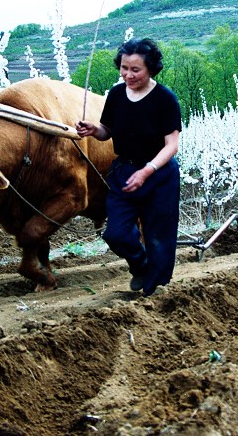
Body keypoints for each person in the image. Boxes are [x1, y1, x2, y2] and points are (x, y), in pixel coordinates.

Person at [76, 38, 182, 296]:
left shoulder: (165, 99)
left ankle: (152, 292)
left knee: (158, 236)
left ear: (151, 69)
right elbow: (107, 131)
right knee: (116, 233)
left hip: (159, 175)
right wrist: (94, 130)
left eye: (136, 70)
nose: (128, 75)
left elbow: (172, 145)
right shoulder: (116, 95)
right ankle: (141, 265)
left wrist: (147, 171)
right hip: (124, 172)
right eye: (124, 68)